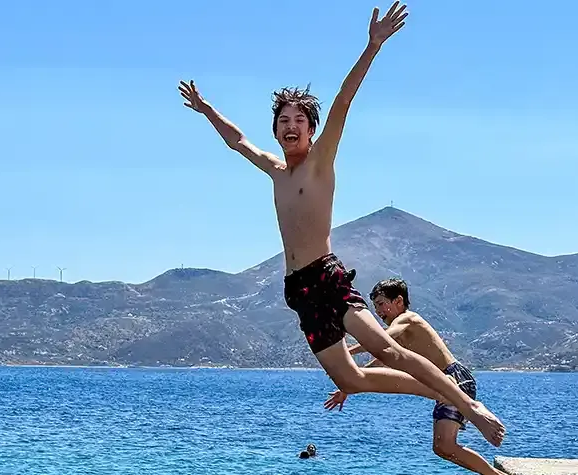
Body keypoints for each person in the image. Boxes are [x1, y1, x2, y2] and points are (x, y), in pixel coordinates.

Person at [178, 2, 505, 448]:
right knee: (349, 379)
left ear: (311, 131)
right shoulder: (276, 170)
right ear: (276, 129)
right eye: (283, 121)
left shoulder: (319, 162)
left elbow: (343, 100)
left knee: (390, 351)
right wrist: (206, 109)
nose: (291, 126)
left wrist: (372, 46)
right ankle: (437, 393)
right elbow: (238, 141)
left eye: (299, 121)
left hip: (327, 278)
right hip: (298, 291)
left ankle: (472, 408)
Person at [325, 279, 514, 475]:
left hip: (454, 380)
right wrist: (347, 387)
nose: (378, 311)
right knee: (443, 447)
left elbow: (381, 340)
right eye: (375, 306)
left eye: (382, 304)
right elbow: (378, 363)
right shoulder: (400, 333)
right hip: (442, 382)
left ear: (399, 301)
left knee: (445, 445)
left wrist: (344, 350)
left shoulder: (409, 319)